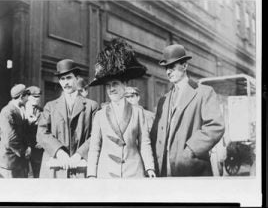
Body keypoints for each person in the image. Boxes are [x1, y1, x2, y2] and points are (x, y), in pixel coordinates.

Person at [150, 44, 225, 176]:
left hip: (191, 169)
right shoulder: (164, 100)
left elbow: (215, 126)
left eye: (172, 67)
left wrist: (190, 151)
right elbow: (155, 135)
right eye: (166, 68)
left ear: (185, 66)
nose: (168, 72)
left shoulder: (203, 93)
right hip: (164, 171)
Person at [87, 38, 156, 178]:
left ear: (124, 85)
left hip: (133, 173)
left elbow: (144, 143)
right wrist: (91, 175)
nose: (111, 89)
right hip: (106, 174)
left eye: (115, 84)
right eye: (108, 85)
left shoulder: (138, 112)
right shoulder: (100, 115)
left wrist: (150, 168)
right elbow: (94, 147)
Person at [37, 59, 99, 178]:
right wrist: (59, 151)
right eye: (62, 79)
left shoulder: (92, 106)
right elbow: (41, 132)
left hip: (80, 167)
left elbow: (96, 135)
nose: (65, 82)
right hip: (55, 168)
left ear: (77, 78)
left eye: (69, 78)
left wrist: (79, 154)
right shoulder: (50, 106)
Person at [0, 84, 32, 178]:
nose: (28, 98)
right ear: (22, 96)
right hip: (8, 161)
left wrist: (28, 147)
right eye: (27, 95)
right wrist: (24, 151)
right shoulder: (7, 111)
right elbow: (9, 139)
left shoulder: (20, 110)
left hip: (17, 160)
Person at [24, 86, 43, 178]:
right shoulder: (22, 109)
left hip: (37, 147)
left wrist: (41, 141)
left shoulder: (41, 111)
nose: (37, 99)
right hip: (24, 147)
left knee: (37, 173)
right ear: (28, 96)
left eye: (38, 96)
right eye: (34, 97)